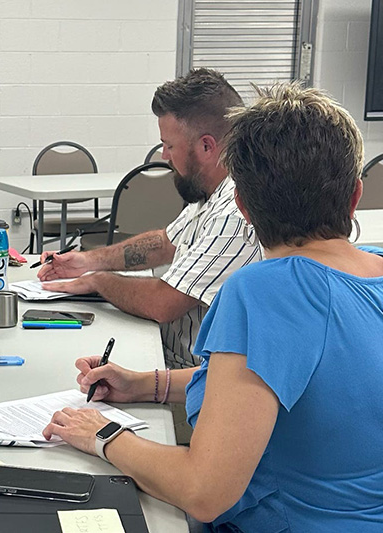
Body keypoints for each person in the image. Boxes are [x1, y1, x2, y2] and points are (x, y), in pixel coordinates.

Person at [43, 83, 383, 530]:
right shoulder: (372, 271)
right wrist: (146, 384)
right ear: (356, 195)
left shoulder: (263, 291)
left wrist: (103, 435)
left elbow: (204, 492)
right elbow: (285, 381)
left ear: (241, 205)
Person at [38, 68, 262, 369]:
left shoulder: (234, 213)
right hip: (165, 356)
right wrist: (88, 261)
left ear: (207, 146)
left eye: (170, 146)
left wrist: (100, 282)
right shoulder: (209, 194)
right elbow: (163, 243)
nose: (165, 156)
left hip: (191, 384)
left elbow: (163, 303)